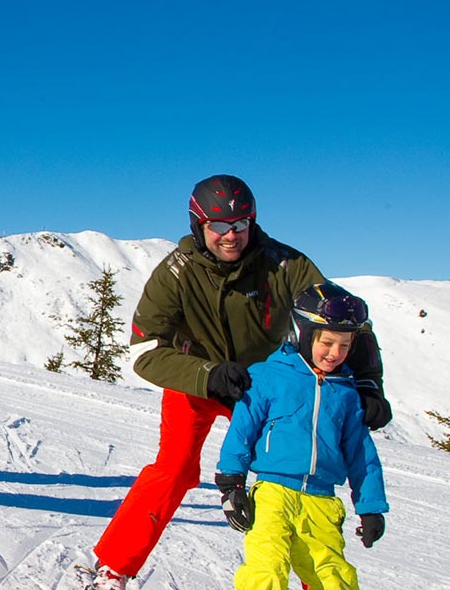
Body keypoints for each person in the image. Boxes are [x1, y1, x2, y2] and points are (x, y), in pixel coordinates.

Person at [80, 174, 391, 589]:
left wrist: (368, 383)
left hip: (267, 384)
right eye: (220, 227)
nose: (231, 236)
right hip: (199, 381)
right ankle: (114, 567)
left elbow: (339, 316)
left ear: (252, 222)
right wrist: (206, 375)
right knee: (174, 469)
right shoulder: (177, 272)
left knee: (290, 475)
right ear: (199, 224)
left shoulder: (285, 264)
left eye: (240, 225)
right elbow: (145, 350)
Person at [215, 282, 388, 590]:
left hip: (322, 500)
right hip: (273, 493)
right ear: (303, 333)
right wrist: (232, 484)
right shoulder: (268, 376)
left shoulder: (347, 393)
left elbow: (362, 455)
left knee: (332, 576)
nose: (335, 353)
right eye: (328, 342)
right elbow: (241, 430)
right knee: (266, 569)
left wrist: (371, 507)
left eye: (345, 346)